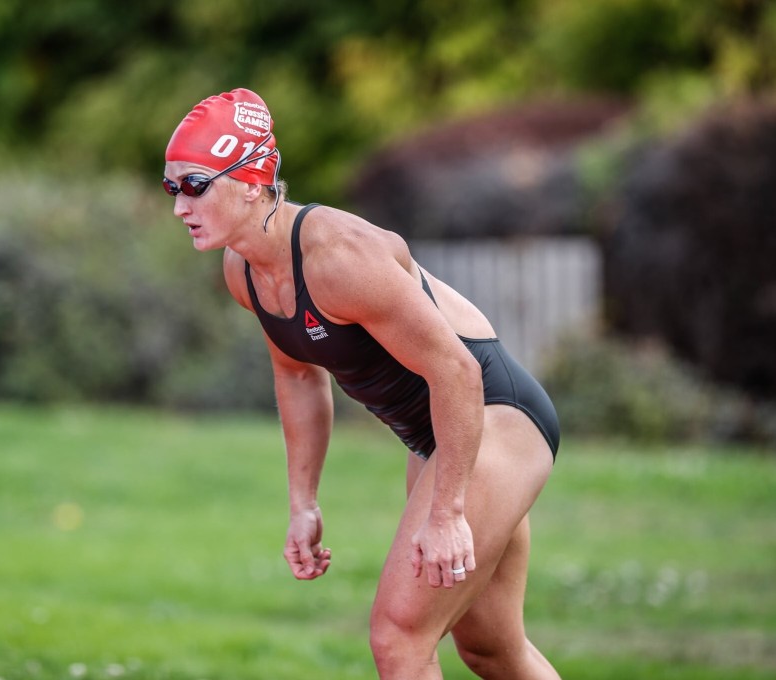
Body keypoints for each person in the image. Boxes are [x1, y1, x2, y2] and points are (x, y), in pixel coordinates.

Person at [162, 88, 562, 680]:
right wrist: (304, 501)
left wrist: (448, 511)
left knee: (399, 639)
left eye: (194, 185)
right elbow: (297, 375)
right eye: (172, 187)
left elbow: (457, 372)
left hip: (493, 416)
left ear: (250, 180)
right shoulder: (243, 269)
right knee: (490, 649)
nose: (179, 207)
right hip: (439, 438)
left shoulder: (339, 257)